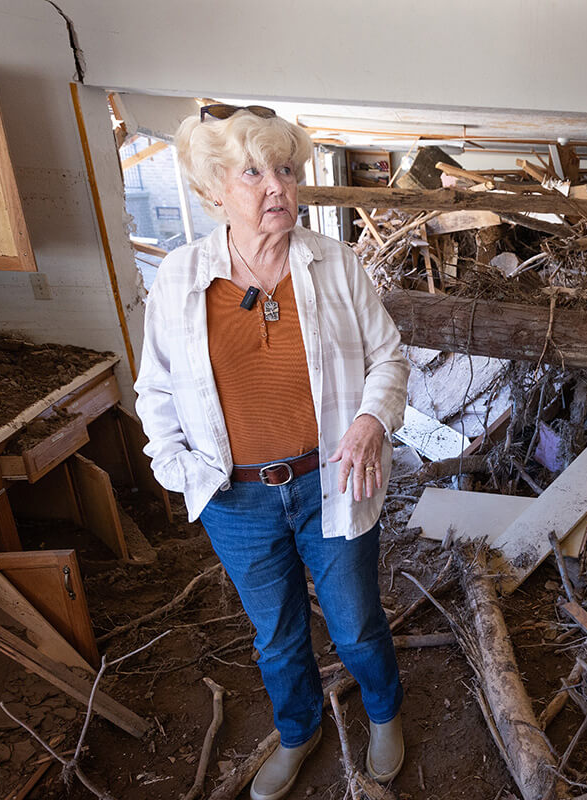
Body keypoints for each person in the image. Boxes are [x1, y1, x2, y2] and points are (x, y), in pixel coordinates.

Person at [134, 104, 410, 800]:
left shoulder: (333, 262)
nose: (276, 187)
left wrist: (372, 419)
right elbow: (155, 391)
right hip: (237, 498)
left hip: (332, 480)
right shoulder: (181, 277)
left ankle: (383, 714)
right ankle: (299, 732)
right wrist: (181, 468)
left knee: (354, 621)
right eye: (254, 171)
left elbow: (389, 357)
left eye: (286, 169)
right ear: (215, 188)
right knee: (278, 637)